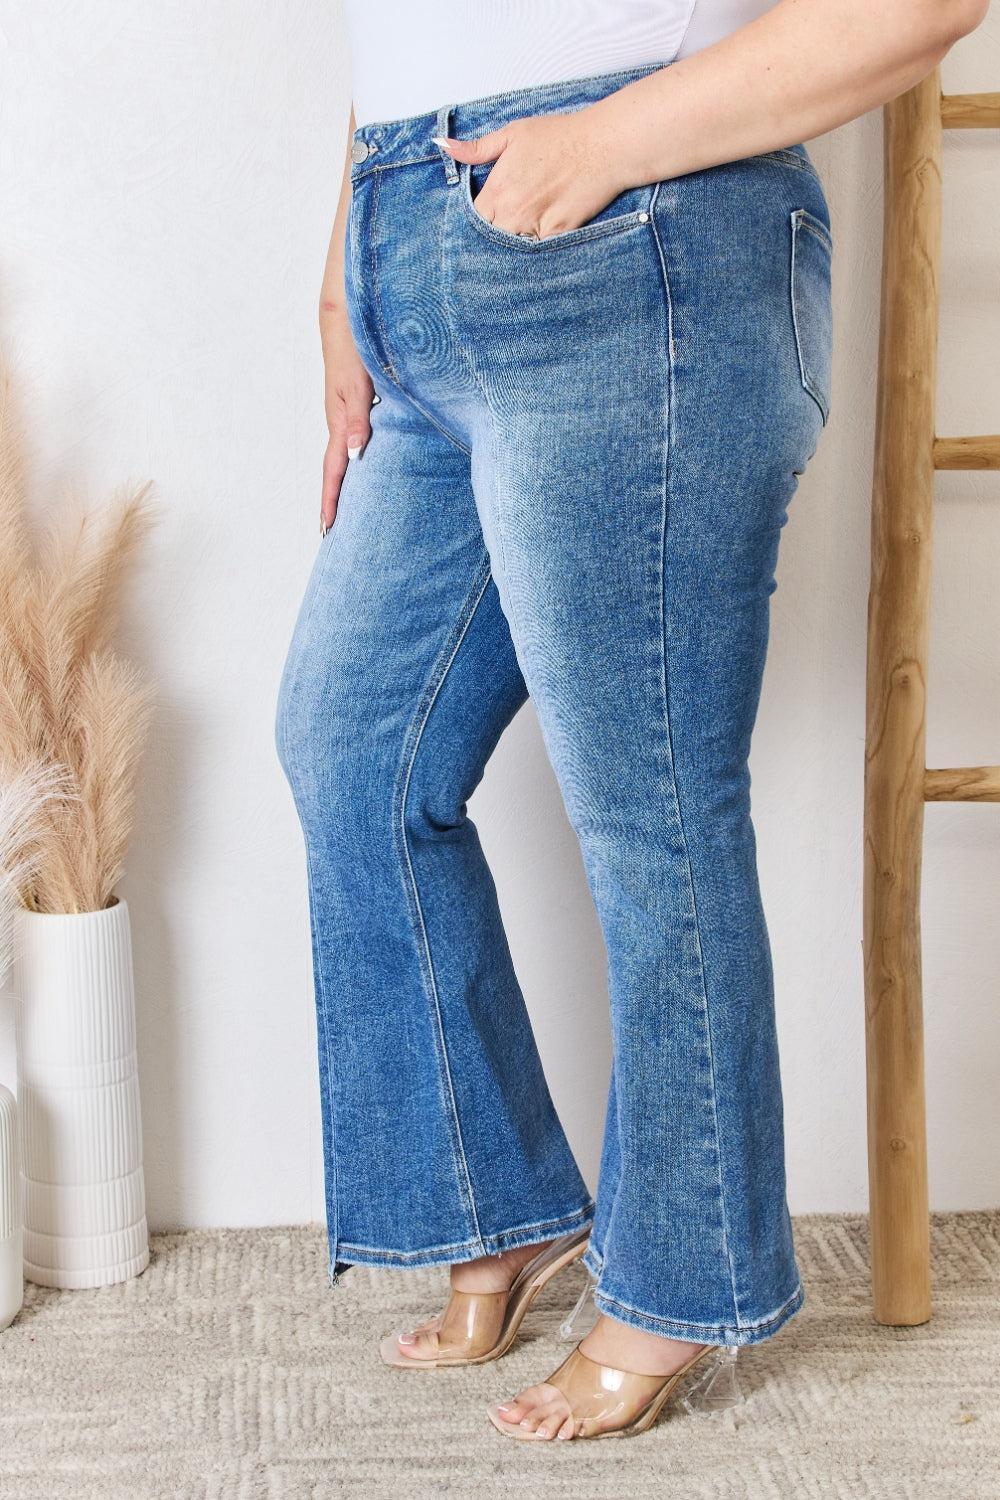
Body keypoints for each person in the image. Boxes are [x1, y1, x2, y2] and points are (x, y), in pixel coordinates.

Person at [275, 0, 986, 1443]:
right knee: (352, 748)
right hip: (414, 237)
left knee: (649, 805)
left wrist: (609, 140)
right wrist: (344, 266)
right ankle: (492, 1204)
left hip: (639, 238)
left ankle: (675, 1286)